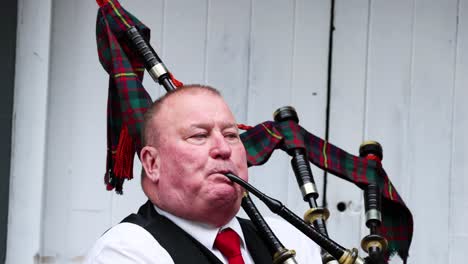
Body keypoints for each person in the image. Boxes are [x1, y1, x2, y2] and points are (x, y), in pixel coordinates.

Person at [85, 85, 321, 263]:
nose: (223, 149)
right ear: (153, 163)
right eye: (199, 136)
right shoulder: (125, 251)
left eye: (231, 135)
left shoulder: (290, 238)